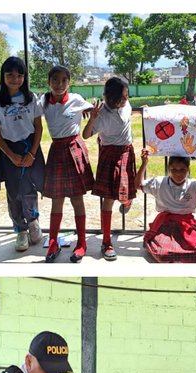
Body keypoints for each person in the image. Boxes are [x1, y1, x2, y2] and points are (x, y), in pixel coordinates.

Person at [0, 56, 45, 253]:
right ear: (3, 76)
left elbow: (38, 127)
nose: (15, 79)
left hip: (30, 148)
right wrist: (11, 155)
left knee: (30, 188)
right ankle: (20, 229)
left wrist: (32, 153)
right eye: (10, 75)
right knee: (13, 192)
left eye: (20, 75)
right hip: (9, 151)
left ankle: (33, 222)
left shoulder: (31, 98)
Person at [39, 65, 94, 263]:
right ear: (49, 82)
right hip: (57, 152)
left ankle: (82, 243)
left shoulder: (76, 99)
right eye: (55, 79)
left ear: (69, 83)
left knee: (77, 199)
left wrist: (89, 110)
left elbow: (92, 108)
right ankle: (53, 242)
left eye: (64, 80)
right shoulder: (44, 102)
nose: (59, 84)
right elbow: (29, 110)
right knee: (57, 199)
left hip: (74, 149)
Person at [138, 149, 196, 262]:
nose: (178, 174)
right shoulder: (158, 182)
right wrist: (144, 163)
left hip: (187, 226)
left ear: (188, 169)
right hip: (165, 225)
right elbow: (138, 185)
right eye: (174, 170)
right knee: (163, 254)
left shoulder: (195, 185)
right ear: (169, 169)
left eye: (182, 170)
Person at [85, 75, 136, 260]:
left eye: (126, 96)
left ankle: (127, 201)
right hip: (109, 155)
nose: (124, 100)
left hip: (126, 152)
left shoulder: (127, 105)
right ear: (109, 97)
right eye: (120, 98)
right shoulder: (102, 114)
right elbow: (86, 134)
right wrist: (92, 118)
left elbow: (128, 114)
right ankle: (106, 241)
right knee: (108, 199)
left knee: (124, 194)